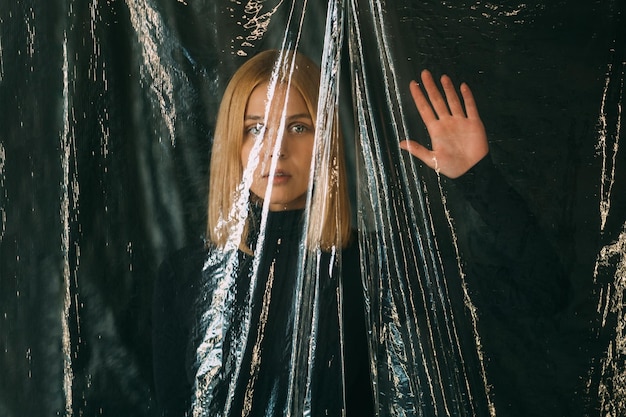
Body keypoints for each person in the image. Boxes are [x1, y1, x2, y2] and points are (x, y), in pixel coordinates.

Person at [152, 49, 568, 417]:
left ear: (326, 140)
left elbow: (543, 291)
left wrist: (479, 181)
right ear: (233, 144)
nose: (276, 147)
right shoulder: (187, 275)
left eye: (298, 127)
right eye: (256, 128)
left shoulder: (378, 265)